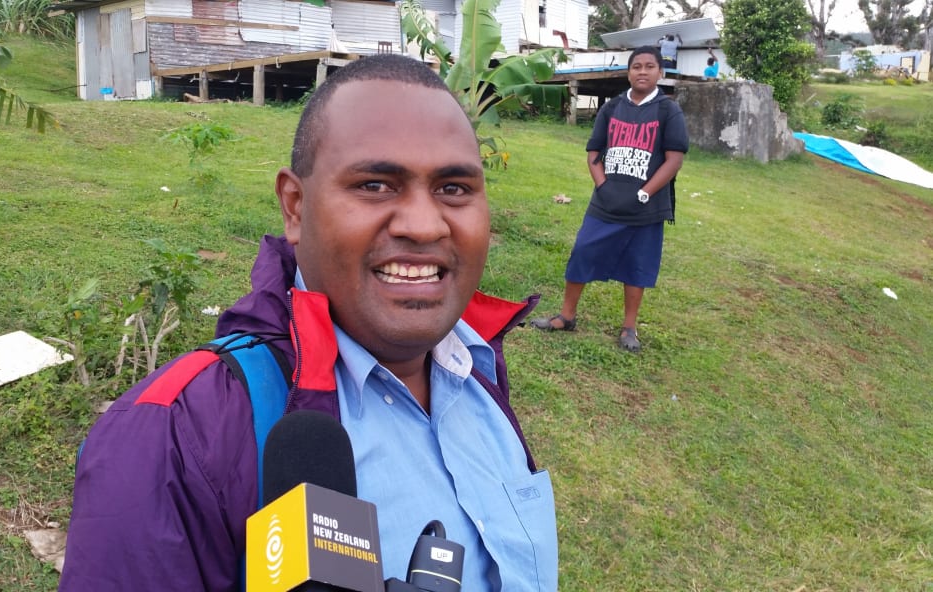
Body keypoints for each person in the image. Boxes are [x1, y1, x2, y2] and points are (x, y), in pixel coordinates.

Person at [59, 53, 558, 591]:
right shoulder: (175, 435)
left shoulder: (475, 366)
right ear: (295, 207)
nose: (423, 224)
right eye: (375, 185)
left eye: (454, 189)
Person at [530, 46, 688, 352]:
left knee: (637, 266)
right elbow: (594, 152)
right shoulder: (613, 108)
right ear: (628, 72)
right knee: (583, 253)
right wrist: (602, 185)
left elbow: (673, 160)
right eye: (636, 66)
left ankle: (629, 328)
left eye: (649, 66)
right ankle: (566, 316)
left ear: (661, 73)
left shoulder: (669, 111)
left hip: (646, 209)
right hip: (605, 205)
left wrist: (645, 192)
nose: (642, 71)